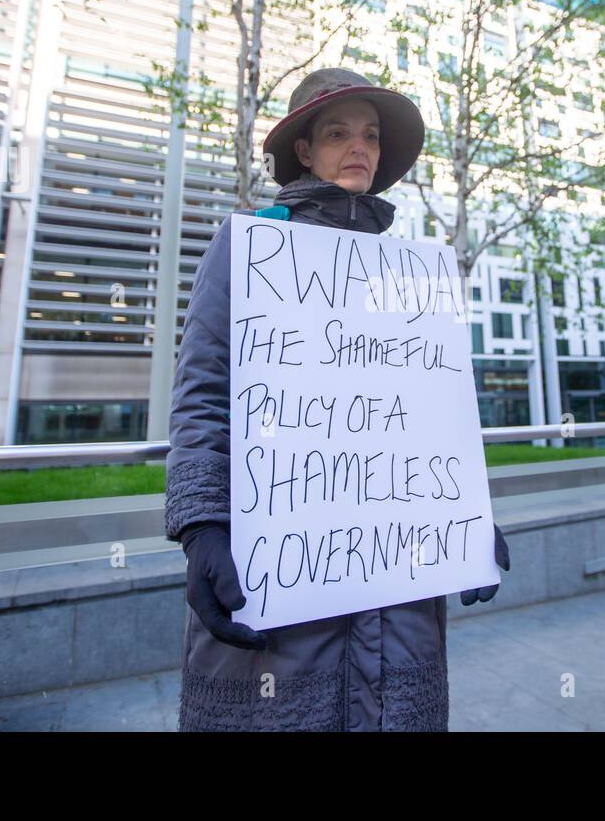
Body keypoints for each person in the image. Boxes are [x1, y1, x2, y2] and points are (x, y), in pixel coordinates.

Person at [164, 67, 510, 731]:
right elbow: (203, 395)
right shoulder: (245, 247)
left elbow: (431, 417)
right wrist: (202, 525)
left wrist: (465, 514)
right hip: (276, 594)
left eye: (372, 135)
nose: (361, 147)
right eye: (339, 131)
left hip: (399, 610)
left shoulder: (410, 276)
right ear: (304, 149)